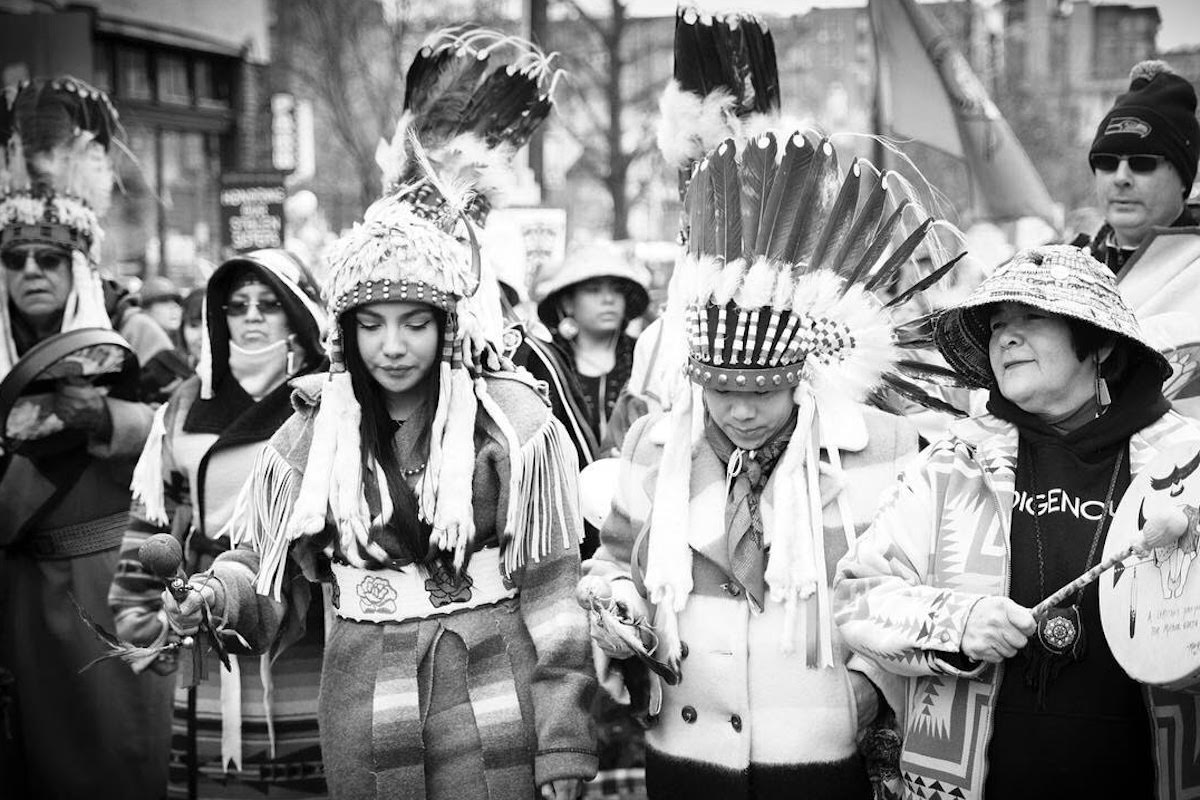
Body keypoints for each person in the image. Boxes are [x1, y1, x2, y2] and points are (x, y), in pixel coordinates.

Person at [159, 29, 598, 800]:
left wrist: (563, 746)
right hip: (362, 709)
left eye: (415, 322)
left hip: (495, 705)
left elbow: (555, 595)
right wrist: (215, 596)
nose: (393, 345)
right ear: (345, 331)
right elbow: (263, 570)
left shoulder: (514, 425)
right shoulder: (310, 431)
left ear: (448, 324)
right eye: (372, 324)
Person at [584, 127, 965, 800]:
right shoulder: (655, 446)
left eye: (762, 393)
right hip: (688, 748)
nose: (741, 412)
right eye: (720, 392)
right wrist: (617, 606)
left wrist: (872, 686)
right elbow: (614, 562)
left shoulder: (882, 449)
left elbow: (917, 588)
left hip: (820, 749)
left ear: (802, 379)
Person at [834, 245, 1200, 799]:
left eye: (1031, 317)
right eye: (997, 325)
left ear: (1100, 342)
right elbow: (856, 598)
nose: (1006, 337)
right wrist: (958, 624)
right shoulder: (955, 463)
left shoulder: (1184, 462)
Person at [0, 76, 173, 798]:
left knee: (117, 761)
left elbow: (185, 433)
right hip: (14, 589)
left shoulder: (134, 329)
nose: (31, 271)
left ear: (80, 263)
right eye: (15, 258)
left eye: (49, 257)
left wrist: (105, 418)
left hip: (109, 583)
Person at [110, 249, 329, 798]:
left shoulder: (331, 399)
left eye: (269, 304)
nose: (252, 316)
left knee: (311, 764)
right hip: (203, 612)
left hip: (304, 620)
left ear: (298, 313)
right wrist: (141, 612)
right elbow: (155, 516)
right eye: (237, 305)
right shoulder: (185, 403)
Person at [1073, 60, 1200, 415]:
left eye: (1142, 162)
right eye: (1106, 161)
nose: (1121, 177)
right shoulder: (1064, 266)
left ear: (1184, 179)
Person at [533, 240, 650, 459]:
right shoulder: (544, 361)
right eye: (593, 290)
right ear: (568, 303)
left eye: (616, 290)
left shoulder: (645, 354)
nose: (608, 299)